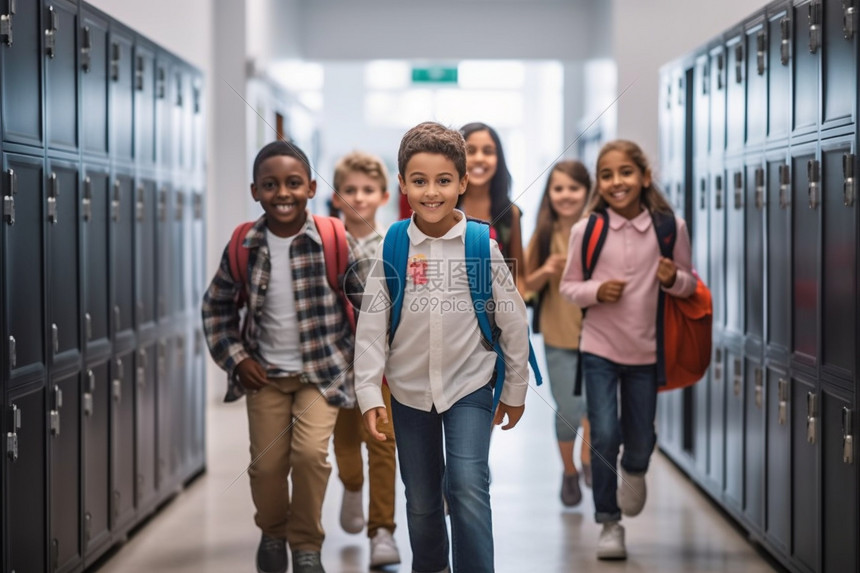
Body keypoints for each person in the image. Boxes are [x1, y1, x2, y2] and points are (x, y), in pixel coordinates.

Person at [354, 122, 532, 573]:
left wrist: (514, 388)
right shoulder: (394, 245)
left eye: (443, 181)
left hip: (469, 385)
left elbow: (513, 323)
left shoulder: (480, 245)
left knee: (469, 484)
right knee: (421, 498)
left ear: (462, 182)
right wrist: (370, 393)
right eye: (419, 181)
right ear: (402, 184)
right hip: (410, 391)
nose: (431, 192)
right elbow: (372, 324)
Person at [202, 140, 355, 573]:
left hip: (321, 372)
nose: (282, 193)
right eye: (270, 185)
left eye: (292, 183)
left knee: (310, 457)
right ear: (255, 191)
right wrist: (235, 359)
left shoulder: (334, 239)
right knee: (267, 466)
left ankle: (306, 545)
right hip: (264, 374)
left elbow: (367, 302)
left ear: (310, 187)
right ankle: (273, 530)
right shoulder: (244, 245)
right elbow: (216, 306)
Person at [559, 140, 697, 560]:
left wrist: (674, 278)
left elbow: (691, 284)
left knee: (639, 437)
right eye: (607, 175)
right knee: (603, 433)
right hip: (599, 348)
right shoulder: (588, 230)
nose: (617, 182)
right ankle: (609, 521)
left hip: (646, 352)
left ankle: (635, 468)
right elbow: (569, 288)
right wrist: (597, 291)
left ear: (644, 177)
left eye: (625, 172)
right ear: (599, 183)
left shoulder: (669, 227)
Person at [329, 151, 401, 568]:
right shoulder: (327, 242)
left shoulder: (392, 244)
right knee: (344, 444)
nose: (359, 197)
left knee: (383, 444)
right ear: (337, 197)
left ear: (384, 195)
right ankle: (352, 486)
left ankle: (383, 531)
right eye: (350, 190)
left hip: (383, 367)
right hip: (337, 365)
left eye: (368, 190)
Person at [523, 160, 592, 507]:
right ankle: (569, 472)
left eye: (573, 188)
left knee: (594, 406)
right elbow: (523, 288)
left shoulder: (599, 229)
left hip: (600, 336)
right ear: (549, 194)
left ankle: (589, 459)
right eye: (558, 188)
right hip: (558, 334)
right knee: (568, 406)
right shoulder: (544, 235)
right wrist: (547, 270)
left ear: (587, 192)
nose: (566, 196)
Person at [459, 122, 526, 290]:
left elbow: (518, 274)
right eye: (470, 151)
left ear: (499, 159)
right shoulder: (444, 208)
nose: (479, 158)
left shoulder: (511, 214)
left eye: (488, 151)